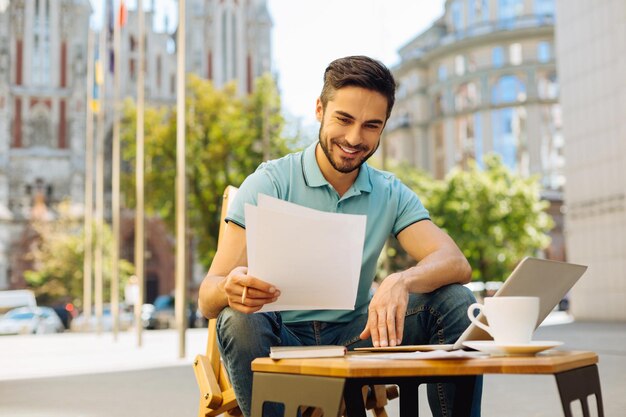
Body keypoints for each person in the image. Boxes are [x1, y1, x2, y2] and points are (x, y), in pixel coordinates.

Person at [198, 55, 481, 417]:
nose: (353, 138)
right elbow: (208, 299)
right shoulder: (269, 182)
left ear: (383, 127)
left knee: (457, 300)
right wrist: (228, 288)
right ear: (319, 109)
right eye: (344, 119)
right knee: (238, 317)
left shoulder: (389, 191)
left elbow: (456, 262)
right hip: (280, 337)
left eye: (370, 126)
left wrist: (402, 280)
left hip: (359, 336)